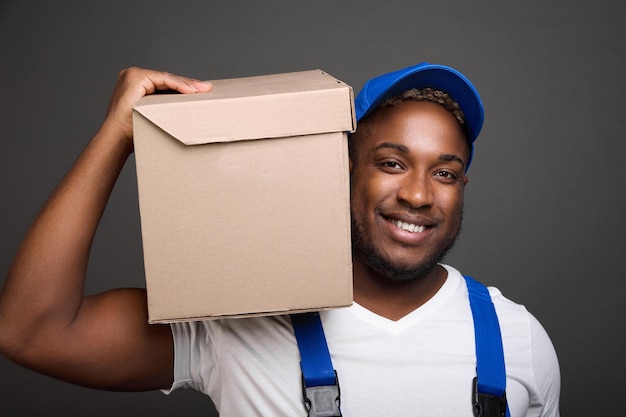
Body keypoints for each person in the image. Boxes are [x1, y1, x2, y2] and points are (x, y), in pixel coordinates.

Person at [0, 63, 560, 416]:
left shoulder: (519, 341)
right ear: (340, 168)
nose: (417, 194)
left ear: (462, 188)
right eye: (391, 163)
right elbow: (32, 331)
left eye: (445, 172)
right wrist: (117, 136)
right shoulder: (237, 324)